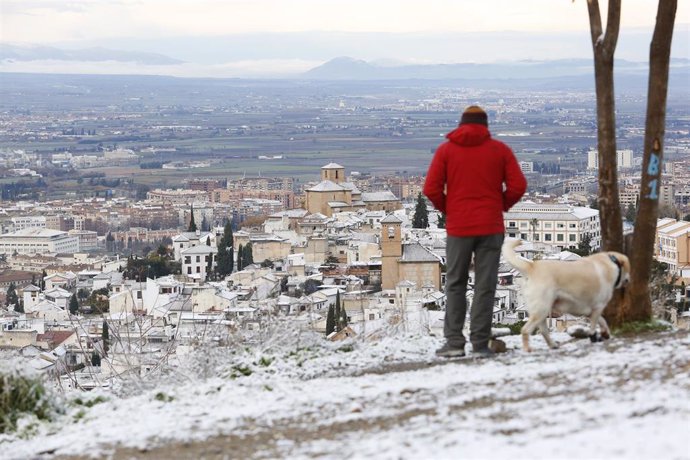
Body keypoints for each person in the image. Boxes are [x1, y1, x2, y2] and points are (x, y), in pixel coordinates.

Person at [423, 105, 527, 358]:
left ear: (461, 124)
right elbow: (518, 185)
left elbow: (431, 189)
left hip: (459, 228)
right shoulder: (499, 150)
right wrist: (499, 204)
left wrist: (450, 209)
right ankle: (480, 343)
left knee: (456, 283)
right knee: (485, 285)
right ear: (485, 125)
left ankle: (455, 343)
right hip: (490, 226)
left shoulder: (446, 150)